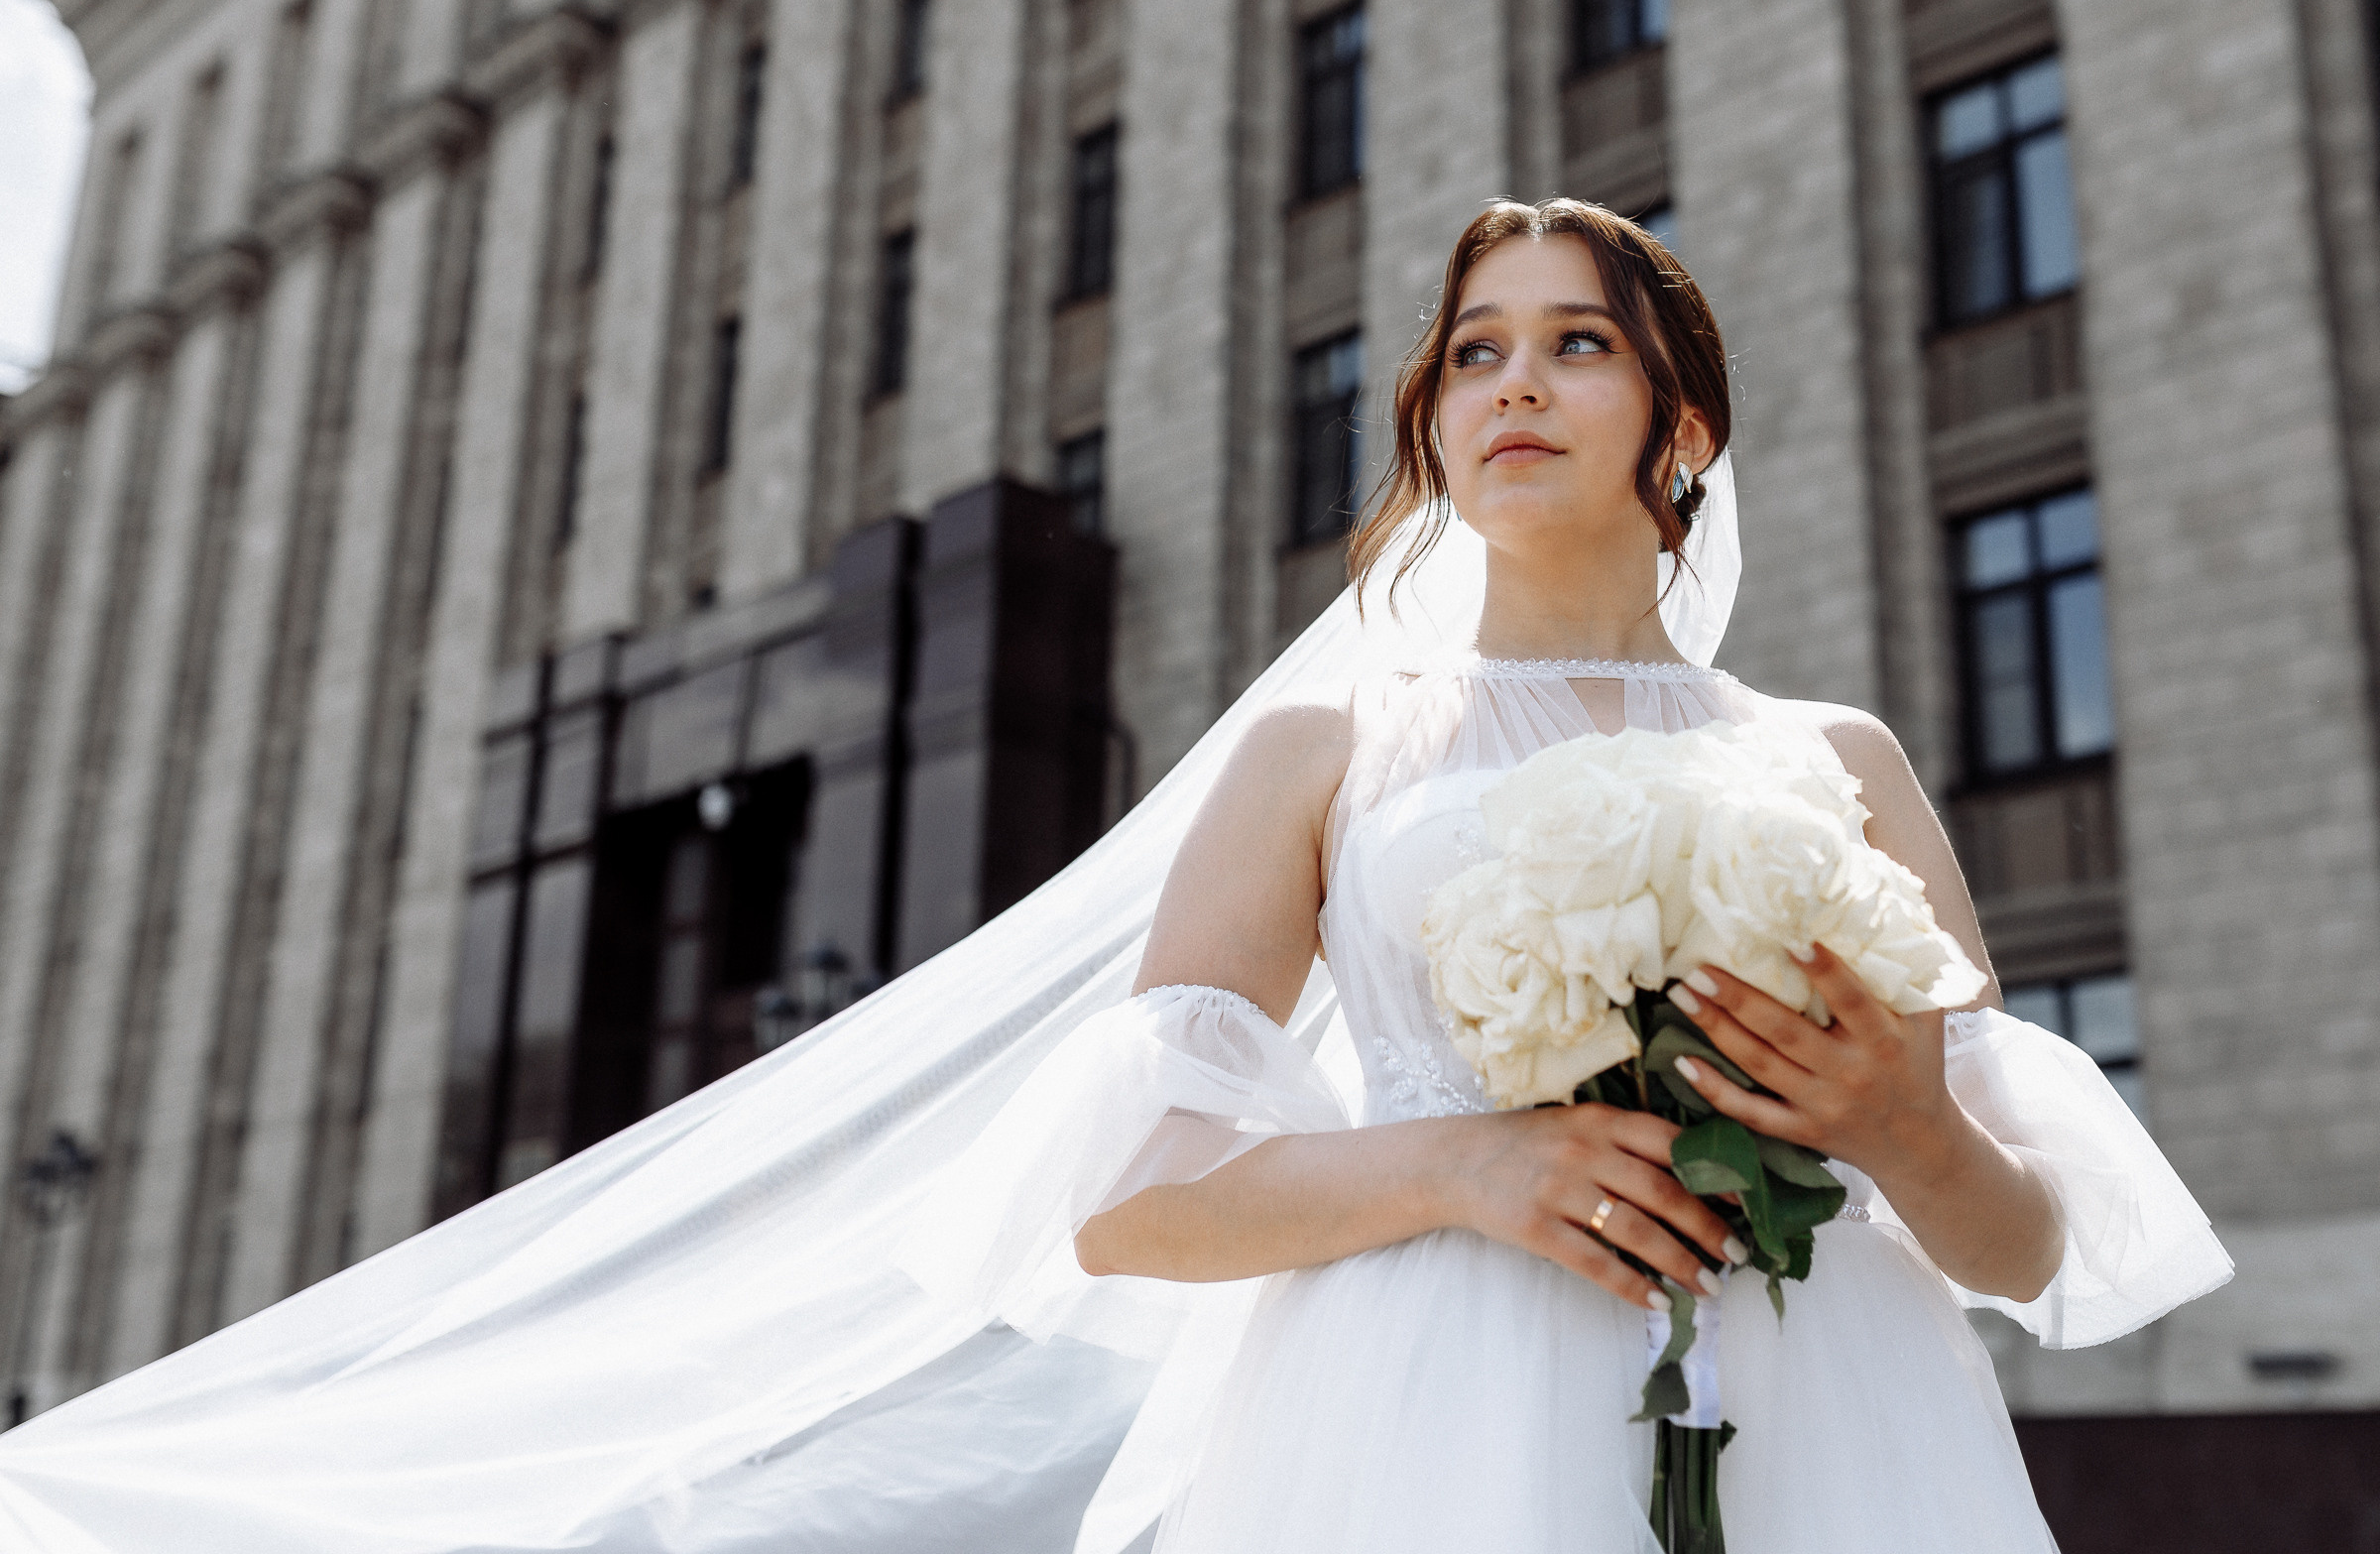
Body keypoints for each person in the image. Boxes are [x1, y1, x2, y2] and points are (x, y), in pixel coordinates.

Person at [0, 201, 2229, 1554]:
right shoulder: (1328, 747)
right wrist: (1458, 1158)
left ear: (1685, 427)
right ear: (1430, 429)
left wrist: (1902, 1118)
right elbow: (1134, 1197)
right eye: (1473, 352)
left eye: (1580, 342)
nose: (1515, 383)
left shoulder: (1831, 758)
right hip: (1434, 1410)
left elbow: (2021, 1240)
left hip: (1831, 1392)